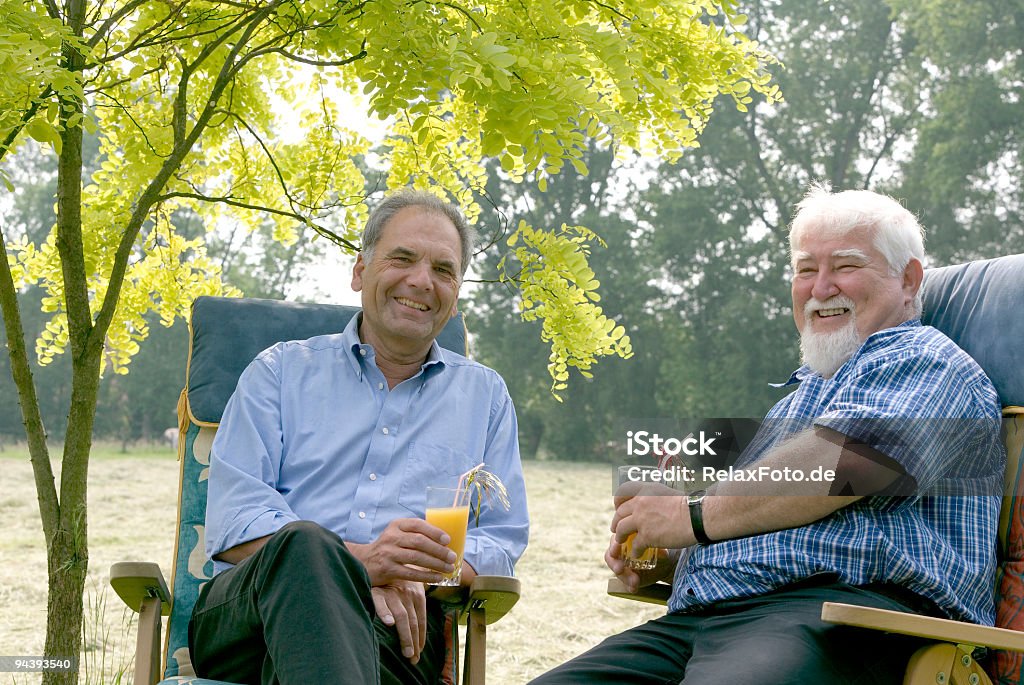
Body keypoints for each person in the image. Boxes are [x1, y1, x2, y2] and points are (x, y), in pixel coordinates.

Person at [531, 184, 1005, 684]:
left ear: (909, 280)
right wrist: (667, 556)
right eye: (805, 269)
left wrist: (689, 514)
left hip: (848, 618)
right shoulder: (801, 397)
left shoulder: (925, 361)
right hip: (703, 621)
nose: (820, 288)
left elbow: (842, 465)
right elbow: (753, 515)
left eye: (844, 266)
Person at [188, 190, 529, 685]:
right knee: (304, 544)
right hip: (246, 618)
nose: (421, 281)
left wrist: (416, 570)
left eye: (443, 269)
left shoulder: (486, 398)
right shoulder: (280, 371)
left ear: (455, 298)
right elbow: (236, 519)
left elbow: (499, 540)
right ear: (359, 271)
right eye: (403, 258)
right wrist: (363, 564)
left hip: (399, 626)